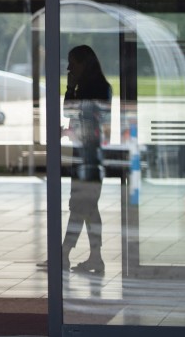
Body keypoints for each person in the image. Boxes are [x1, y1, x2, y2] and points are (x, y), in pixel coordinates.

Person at [60, 44, 112, 275]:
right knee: (87, 207)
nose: (69, 67)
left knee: (81, 206)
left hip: (88, 158)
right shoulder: (93, 88)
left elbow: (73, 113)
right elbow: (72, 114)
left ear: (84, 64)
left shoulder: (96, 89)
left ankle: (65, 253)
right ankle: (94, 257)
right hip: (84, 155)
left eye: (73, 62)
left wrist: (71, 89)